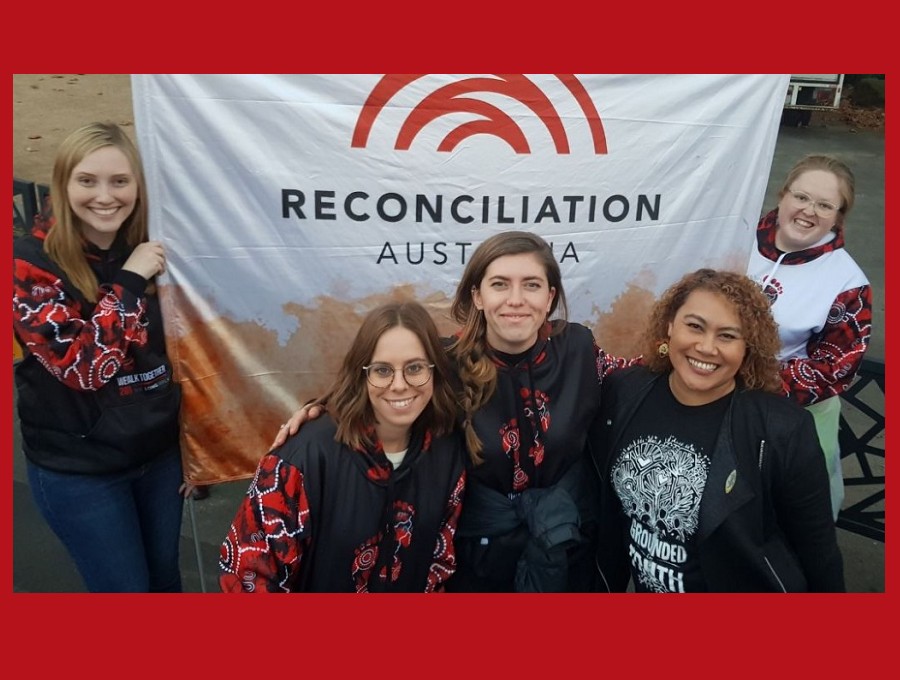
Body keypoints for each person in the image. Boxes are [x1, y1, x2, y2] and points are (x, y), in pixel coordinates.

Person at [274, 231, 633, 592]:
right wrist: (320, 409)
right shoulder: (445, 363)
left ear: (550, 296)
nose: (516, 299)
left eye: (532, 285)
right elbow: (382, 389)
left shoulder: (579, 350)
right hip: (476, 560)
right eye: (499, 284)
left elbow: (637, 381)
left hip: (566, 545)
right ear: (478, 295)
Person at [594, 269, 844, 592]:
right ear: (670, 325)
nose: (706, 347)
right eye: (694, 326)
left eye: (727, 336)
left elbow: (819, 553)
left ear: (747, 347)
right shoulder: (624, 393)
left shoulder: (781, 430)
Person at [13, 122, 185, 592]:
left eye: (120, 181)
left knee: (166, 581)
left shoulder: (157, 248)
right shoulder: (28, 264)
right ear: (63, 183)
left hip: (159, 455)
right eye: (87, 180)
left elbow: (192, 353)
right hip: (80, 468)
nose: (105, 196)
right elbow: (83, 368)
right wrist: (128, 284)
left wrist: (201, 448)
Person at [219, 301, 467, 593]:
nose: (399, 384)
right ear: (361, 374)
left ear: (435, 371)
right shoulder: (302, 459)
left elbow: (439, 565)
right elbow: (247, 577)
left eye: (415, 368)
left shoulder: (445, 453)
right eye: (382, 370)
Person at [747, 154, 872, 520]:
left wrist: (747, 382)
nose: (809, 211)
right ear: (783, 195)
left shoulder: (848, 282)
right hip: (713, 395)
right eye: (801, 197)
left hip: (792, 415)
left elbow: (836, 368)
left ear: (838, 215)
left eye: (824, 205)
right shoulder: (735, 236)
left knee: (789, 520)